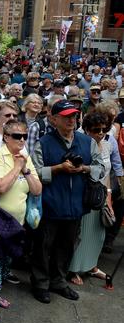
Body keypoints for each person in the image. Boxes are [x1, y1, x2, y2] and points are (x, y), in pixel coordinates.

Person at [31, 100, 105, 304]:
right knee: (44, 247)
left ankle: (59, 281)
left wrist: (84, 169)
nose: (72, 119)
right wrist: (57, 168)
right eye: (66, 116)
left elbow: (100, 169)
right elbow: (34, 172)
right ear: (54, 119)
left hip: (76, 206)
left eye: (74, 115)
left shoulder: (86, 141)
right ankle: (40, 283)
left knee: (67, 247)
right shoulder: (43, 142)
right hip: (50, 204)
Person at [0, 120, 41, 323]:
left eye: (24, 136)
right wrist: (17, 166)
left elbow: (37, 190)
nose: (22, 140)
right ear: (6, 137)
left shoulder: (26, 157)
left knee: (5, 264)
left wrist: (26, 170)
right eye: (16, 136)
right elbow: (1, 186)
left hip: (17, 224)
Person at [68, 112, 113, 285]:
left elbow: (107, 173)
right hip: (85, 194)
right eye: (96, 130)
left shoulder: (108, 145)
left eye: (104, 130)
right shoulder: (81, 144)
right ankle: (74, 269)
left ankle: (92, 266)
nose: (101, 133)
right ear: (86, 129)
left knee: (98, 233)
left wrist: (108, 196)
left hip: (100, 194)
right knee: (82, 234)